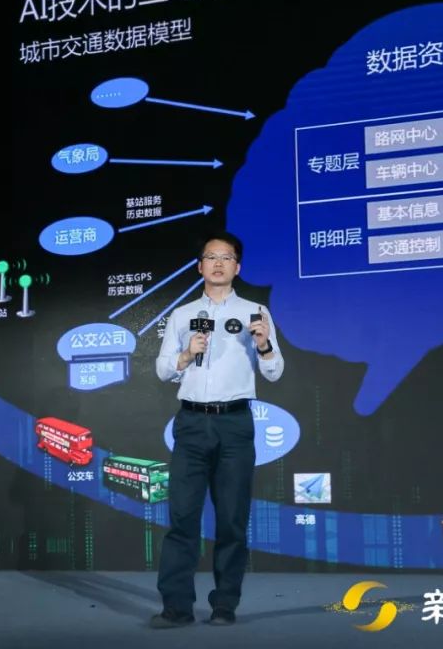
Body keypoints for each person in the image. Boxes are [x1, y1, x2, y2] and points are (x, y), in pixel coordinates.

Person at [150, 231, 284, 628]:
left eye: (226, 257)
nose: (219, 263)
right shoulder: (182, 315)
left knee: (232, 519)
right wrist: (187, 354)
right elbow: (162, 370)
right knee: (182, 518)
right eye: (211, 257)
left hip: (235, 424)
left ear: (237, 267)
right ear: (200, 267)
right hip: (192, 423)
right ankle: (176, 607)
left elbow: (274, 372)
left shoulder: (255, 311)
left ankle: (225, 604)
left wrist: (263, 345)